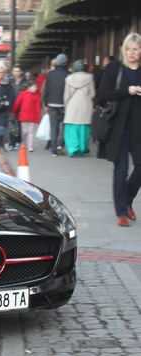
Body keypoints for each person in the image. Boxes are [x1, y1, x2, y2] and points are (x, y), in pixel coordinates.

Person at [96, 33, 141, 227]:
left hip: (139, 128)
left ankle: (128, 200)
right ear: (124, 50)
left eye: (136, 49)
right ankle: (121, 212)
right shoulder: (115, 69)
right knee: (121, 171)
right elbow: (101, 95)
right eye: (129, 49)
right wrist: (127, 91)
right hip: (119, 128)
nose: (132, 53)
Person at [63, 60, 95, 157]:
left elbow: (66, 95)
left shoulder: (69, 79)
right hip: (85, 105)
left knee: (71, 129)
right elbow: (93, 94)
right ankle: (81, 150)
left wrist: (66, 106)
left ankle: (72, 149)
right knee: (84, 130)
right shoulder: (89, 78)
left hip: (72, 106)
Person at [43, 53, 71, 156]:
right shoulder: (68, 74)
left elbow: (46, 89)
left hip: (52, 103)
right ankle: (60, 145)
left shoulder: (50, 74)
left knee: (53, 126)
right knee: (64, 125)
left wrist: (46, 103)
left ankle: (53, 148)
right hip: (64, 104)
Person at [12, 80, 41, 152]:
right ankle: (23, 142)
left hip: (31, 116)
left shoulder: (36, 96)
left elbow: (37, 108)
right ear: (29, 87)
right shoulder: (23, 94)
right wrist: (13, 111)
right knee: (24, 131)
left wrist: (38, 118)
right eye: (35, 87)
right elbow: (17, 103)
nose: (36, 88)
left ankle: (30, 146)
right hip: (24, 116)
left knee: (30, 131)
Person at [8, 65, 27, 150]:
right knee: (12, 125)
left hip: (22, 106)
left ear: (21, 72)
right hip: (12, 105)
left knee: (20, 125)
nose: (16, 73)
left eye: (18, 71)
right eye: (14, 71)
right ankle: (11, 142)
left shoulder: (25, 82)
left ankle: (18, 142)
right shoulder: (9, 81)